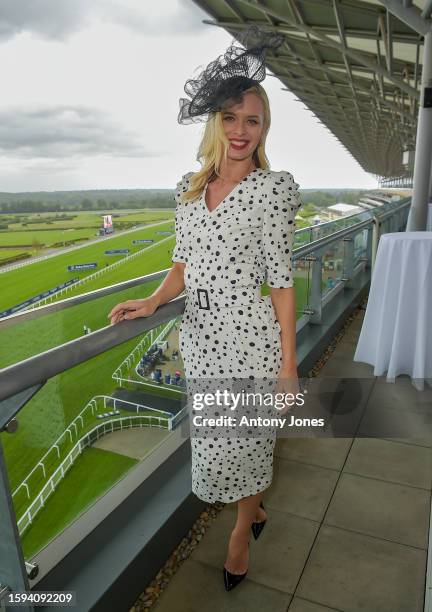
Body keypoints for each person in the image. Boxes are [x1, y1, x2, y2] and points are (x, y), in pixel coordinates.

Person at [107, 25, 301, 592]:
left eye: (253, 120)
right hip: (201, 338)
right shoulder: (189, 190)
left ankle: (242, 530)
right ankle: (255, 510)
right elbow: (182, 265)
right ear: (215, 123)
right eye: (231, 118)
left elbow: (283, 283)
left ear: (264, 129)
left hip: (250, 338)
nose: (241, 130)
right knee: (218, 446)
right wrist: (151, 301)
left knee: (247, 442)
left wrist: (288, 365)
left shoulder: (273, 189)